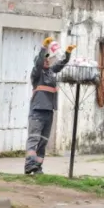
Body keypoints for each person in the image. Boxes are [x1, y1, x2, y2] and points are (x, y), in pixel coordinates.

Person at [24, 37, 76, 175]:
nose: (47, 60)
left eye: (48, 59)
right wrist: (44, 47)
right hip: (37, 111)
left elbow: (62, 62)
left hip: (49, 111)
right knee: (34, 138)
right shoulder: (36, 74)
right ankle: (29, 165)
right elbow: (40, 61)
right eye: (45, 59)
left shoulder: (51, 72)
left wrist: (68, 53)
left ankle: (38, 167)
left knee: (43, 141)